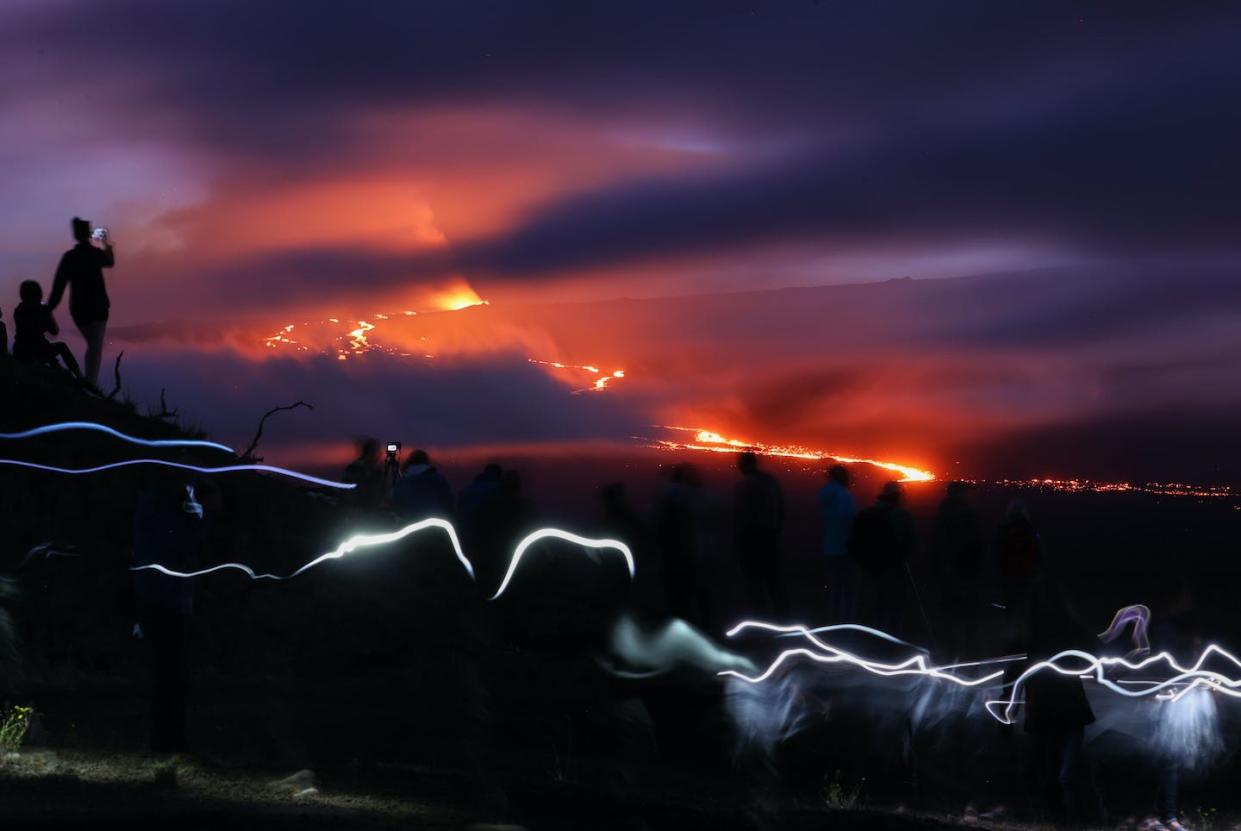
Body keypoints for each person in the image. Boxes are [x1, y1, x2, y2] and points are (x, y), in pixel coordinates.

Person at [132, 474, 211, 753]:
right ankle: (167, 744)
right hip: (164, 603)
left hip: (170, 603)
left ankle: (171, 742)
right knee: (169, 677)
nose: (191, 490)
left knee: (173, 677)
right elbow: (172, 549)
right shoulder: (159, 505)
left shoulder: (164, 504)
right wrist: (193, 521)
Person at [47, 217, 114, 386]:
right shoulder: (96, 254)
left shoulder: (69, 257)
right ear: (89, 234)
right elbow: (110, 261)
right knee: (95, 347)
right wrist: (106, 242)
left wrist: (48, 308)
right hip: (98, 309)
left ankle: (89, 382)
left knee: (93, 346)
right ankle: (90, 383)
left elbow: (58, 287)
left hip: (79, 310)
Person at [849, 481, 915, 634]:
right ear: (899, 496)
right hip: (895, 568)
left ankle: (876, 640)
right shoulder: (902, 515)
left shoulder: (867, 514)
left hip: (871, 568)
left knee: (877, 605)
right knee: (895, 608)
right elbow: (911, 542)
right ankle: (893, 643)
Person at [652, 465, 712, 628]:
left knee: (677, 590)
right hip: (693, 550)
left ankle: (681, 622)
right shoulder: (693, 496)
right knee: (697, 589)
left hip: (677, 551)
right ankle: (704, 624)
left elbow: (657, 520)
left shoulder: (669, 495)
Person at [932, 481, 984, 657]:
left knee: (950, 612)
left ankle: (950, 650)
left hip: (946, 569)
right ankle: (969, 651)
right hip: (966, 569)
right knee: (969, 612)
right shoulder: (969, 513)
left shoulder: (942, 513)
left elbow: (937, 540)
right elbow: (977, 541)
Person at [733, 451, 787, 617]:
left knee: (754, 583)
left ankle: (760, 619)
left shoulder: (745, 485)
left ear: (742, 465)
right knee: (773, 580)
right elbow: (781, 509)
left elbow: (741, 513)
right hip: (770, 536)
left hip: (751, 539)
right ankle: (781, 617)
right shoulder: (770, 482)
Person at [12, 280, 80, 376]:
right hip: (35, 352)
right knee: (62, 347)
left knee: (45, 349)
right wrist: (48, 313)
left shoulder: (18, 310)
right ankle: (80, 377)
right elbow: (54, 331)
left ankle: (58, 368)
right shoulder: (41, 310)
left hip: (19, 351)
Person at [817, 464, 857, 622]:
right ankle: (846, 625)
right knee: (848, 591)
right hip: (845, 550)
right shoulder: (845, 496)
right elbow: (851, 522)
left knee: (834, 590)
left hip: (829, 549)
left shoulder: (825, 496)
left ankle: (832, 622)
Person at [392, 448, 454, 519]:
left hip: (409, 525)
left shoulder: (402, 482)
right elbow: (449, 502)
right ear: (426, 462)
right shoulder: (438, 478)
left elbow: (396, 504)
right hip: (435, 523)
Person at [341, 437, 386, 509]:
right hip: (360, 509)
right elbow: (349, 491)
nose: (380, 453)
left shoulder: (378, 469)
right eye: (376, 450)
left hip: (371, 509)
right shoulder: (355, 468)